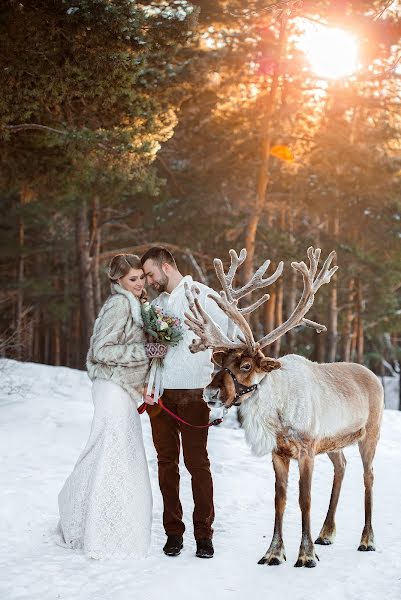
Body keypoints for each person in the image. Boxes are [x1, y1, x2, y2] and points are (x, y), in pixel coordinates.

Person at [57, 254, 153, 559]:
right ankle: (101, 527)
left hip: (121, 387)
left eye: (141, 277)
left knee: (111, 451)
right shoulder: (119, 304)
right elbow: (101, 350)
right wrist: (147, 350)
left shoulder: (137, 305)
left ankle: (85, 514)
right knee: (113, 451)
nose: (139, 284)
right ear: (118, 282)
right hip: (111, 387)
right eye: (132, 280)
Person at [141, 247, 228, 559]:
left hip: (193, 395)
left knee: (197, 465)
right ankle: (173, 533)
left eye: (151, 274)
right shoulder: (156, 306)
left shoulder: (203, 296)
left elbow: (224, 340)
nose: (149, 281)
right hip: (160, 399)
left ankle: (204, 535)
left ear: (166, 267)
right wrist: (148, 384)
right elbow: (153, 349)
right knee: (166, 466)